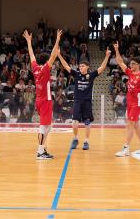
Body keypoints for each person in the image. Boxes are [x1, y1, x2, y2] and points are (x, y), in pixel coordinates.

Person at [58, 47, 111, 150]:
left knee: (87, 122)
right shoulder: (76, 74)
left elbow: (102, 67)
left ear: (87, 67)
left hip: (87, 102)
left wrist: (107, 56)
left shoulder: (91, 75)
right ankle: (75, 139)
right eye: (79, 66)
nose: (80, 68)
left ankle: (86, 141)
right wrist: (59, 55)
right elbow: (65, 66)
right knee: (74, 122)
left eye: (82, 66)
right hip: (77, 101)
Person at [23, 29, 62, 160]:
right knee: (43, 126)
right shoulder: (45, 69)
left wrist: (29, 41)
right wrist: (57, 39)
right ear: (46, 62)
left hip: (39, 100)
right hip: (45, 100)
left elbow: (31, 55)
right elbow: (53, 56)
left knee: (48, 125)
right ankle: (40, 151)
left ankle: (42, 148)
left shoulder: (35, 69)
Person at [113, 41, 140, 157]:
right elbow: (120, 62)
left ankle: (126, 148)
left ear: (138, 65)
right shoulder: (130, 73)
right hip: (130, 102)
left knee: (130, 124)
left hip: (137, 103)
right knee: (135, 125)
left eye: (133, 64)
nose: (131, 65)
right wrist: (116, 50)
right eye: (130, 63)